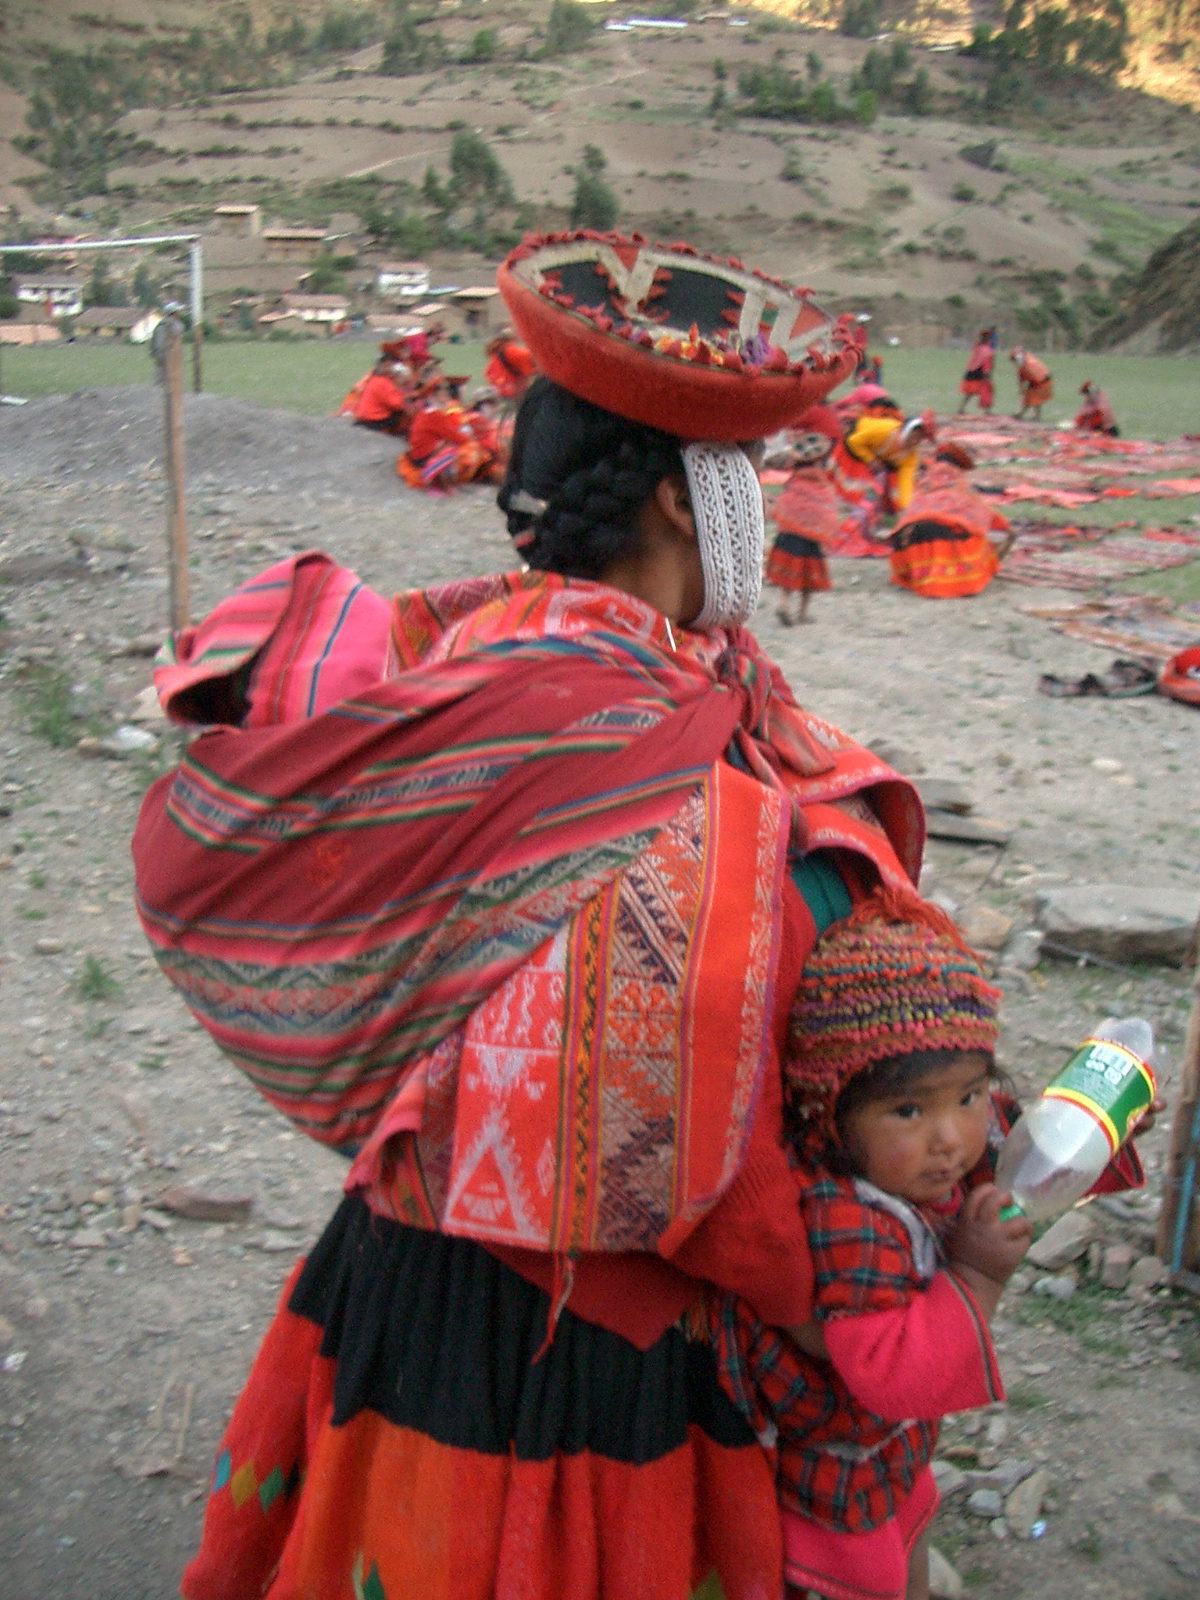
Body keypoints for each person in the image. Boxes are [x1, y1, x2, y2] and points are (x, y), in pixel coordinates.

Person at [135, 229, 958, 1600]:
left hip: (404, 1284)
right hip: (597, 1359)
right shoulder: (690, 786)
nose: (760, 510)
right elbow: (711, 1146)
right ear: (686, 502)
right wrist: (848, 1306)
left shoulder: (448, 669)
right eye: (744, 476)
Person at [709, 900, 1147, 1600]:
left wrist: (1098, 1136)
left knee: (911, 1533)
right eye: (908, 1110)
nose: (951, 1138)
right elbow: (897, 1376)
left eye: (969, 1095)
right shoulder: (846, 1222)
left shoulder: (926, 1159)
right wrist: (975, 1274)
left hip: (893, 1452)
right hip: (837, 1479)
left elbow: (1026, 1159)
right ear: (831, 1113)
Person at [888, 440, 1010, 598]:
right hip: (939, 539)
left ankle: (916, 574)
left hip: (907, 542)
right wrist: (1006, 528)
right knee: (977, 538)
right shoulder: (960, 485)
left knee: (919, 529)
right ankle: (952, 579)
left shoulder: (923, 485)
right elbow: (986, 517)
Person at [766, 430, 839, 625]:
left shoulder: (795, 480)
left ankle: (783, 604)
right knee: (809, 576)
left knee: (788, 573)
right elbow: (827, 512)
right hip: (811, 537)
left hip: (789, 532)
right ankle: (802, 612)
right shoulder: (821, 483)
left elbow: (773, 462)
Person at [396, 374, 498, 489]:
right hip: (424, 460)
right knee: (471, 449)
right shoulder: (435, 414)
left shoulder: (427, 413)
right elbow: (457, 438)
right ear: (434, 395)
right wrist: (470, 439)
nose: (446, 394)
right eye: (443, 391)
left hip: (420, 457)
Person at [350, 349, 413, 434]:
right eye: (386, 365)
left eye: (389, 365)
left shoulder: (373, 379)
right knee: (401, 415)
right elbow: (397, 405)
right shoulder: (383, 382)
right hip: (373, 421)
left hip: (362, 419)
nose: (388, 368)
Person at [485, 327, 537, 400]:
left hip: (499, 388)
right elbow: (531, 372)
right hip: (512, 391)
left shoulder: (498, 351)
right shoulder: (514, 352)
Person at [957, 327, 997, 414]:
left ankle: (961, 408)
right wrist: (987, 375)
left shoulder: (977, 347)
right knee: (987, 391)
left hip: (971, 372)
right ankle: (987, 411)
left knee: (970, 393)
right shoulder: (987, 351)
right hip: (980, 373)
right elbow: (986, 364)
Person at [1011, 347, 1053, 420]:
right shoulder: (1023, 364)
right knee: (1029, 398)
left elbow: (1038, 376)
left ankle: (1035, 416)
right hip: (1036, 382)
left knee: (1035, 399)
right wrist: (1021, 387)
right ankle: (1021, 414)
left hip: (1042, 382)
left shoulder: (1031, 363)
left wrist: (1028, 385)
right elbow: (1021, 377)